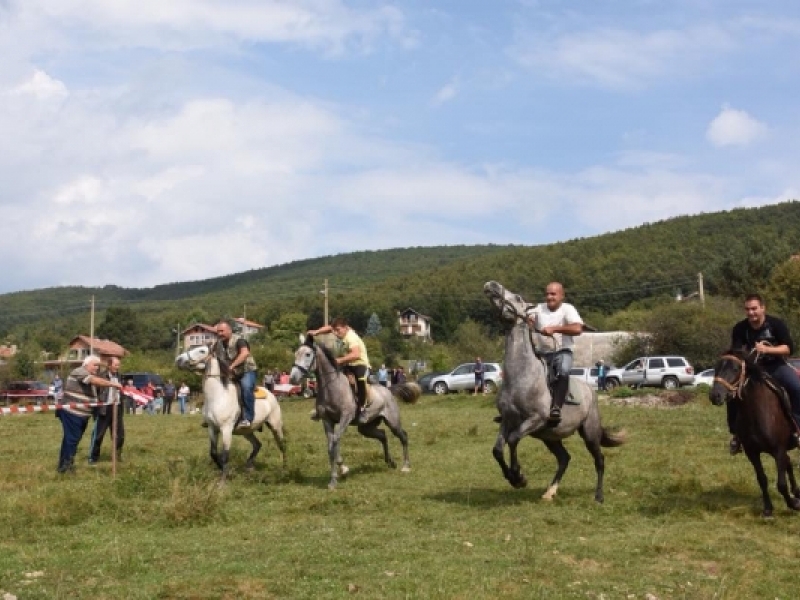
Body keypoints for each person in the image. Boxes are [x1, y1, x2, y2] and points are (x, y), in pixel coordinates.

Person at [727, 293, 800, 455]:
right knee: (731, 394)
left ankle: (798, 430)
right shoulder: (740, 329)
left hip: (776, 366)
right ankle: (736, 435)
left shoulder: (776, 324)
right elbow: (737, 352)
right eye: (747, 309)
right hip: (752, 370)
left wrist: (767, 349)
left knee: (797, 387)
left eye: (754, 309)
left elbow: (788, 348)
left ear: (762, 308)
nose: (751, 313)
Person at [525, 281, 584, 426]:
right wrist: (529, 321)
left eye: (553, 294)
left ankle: (556, 407)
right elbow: (529, 318)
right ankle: (514, 410)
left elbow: (578, 328)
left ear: (562, 296)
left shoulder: (568, 309)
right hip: (541, 353)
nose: (549, 297)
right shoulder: (538, 308)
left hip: (562, 351)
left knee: (563, 371)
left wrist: (555, 329)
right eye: (547, 294)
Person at [56, 355, 123, 474]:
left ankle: (65, 464)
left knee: (72, 440)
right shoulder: (79, 372)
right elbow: (94, 381)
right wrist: (113, 384)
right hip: (72, 413)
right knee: (71, 440)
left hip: (82, 414)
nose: (97, 368)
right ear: (86, 364)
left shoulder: (91, 375)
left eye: (98, 366)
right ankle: (65, 467)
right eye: (95, 365)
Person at [308, 317, 370, 421]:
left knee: (360, 380)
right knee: (327, 379)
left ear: (345, 328)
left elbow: (356, 354)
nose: (336, 333)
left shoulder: (351, 337)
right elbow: (330, 328)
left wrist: (339, 360)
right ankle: (319, 408)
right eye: (335, 330)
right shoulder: (340, 330)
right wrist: (316, 332)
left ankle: (362, 409)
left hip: (360, 363)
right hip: (347, 364)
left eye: (338, 330)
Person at [213, 320, 258, 428]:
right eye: (218, 331)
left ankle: (248, 418)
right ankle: (214, 417)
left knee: (246, 387)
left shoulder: (239, 340)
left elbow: (245, 353)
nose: (219, 334)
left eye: (222, 331)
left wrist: (232, 366)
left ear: (229, 330)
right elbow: (213, 356)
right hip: (231, 373)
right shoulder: (218, 344)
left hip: (247, 370)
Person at [88, 356, 125, 465]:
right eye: (115, 365)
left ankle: (116, 455)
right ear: (109, 365)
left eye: (118, 365)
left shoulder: (120, 376)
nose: (117, 367)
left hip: (116, 407)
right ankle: (93, 457)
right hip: (104, 409)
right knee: (98, 435)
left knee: (120, 435)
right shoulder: (101, 376)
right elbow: (95, 392)